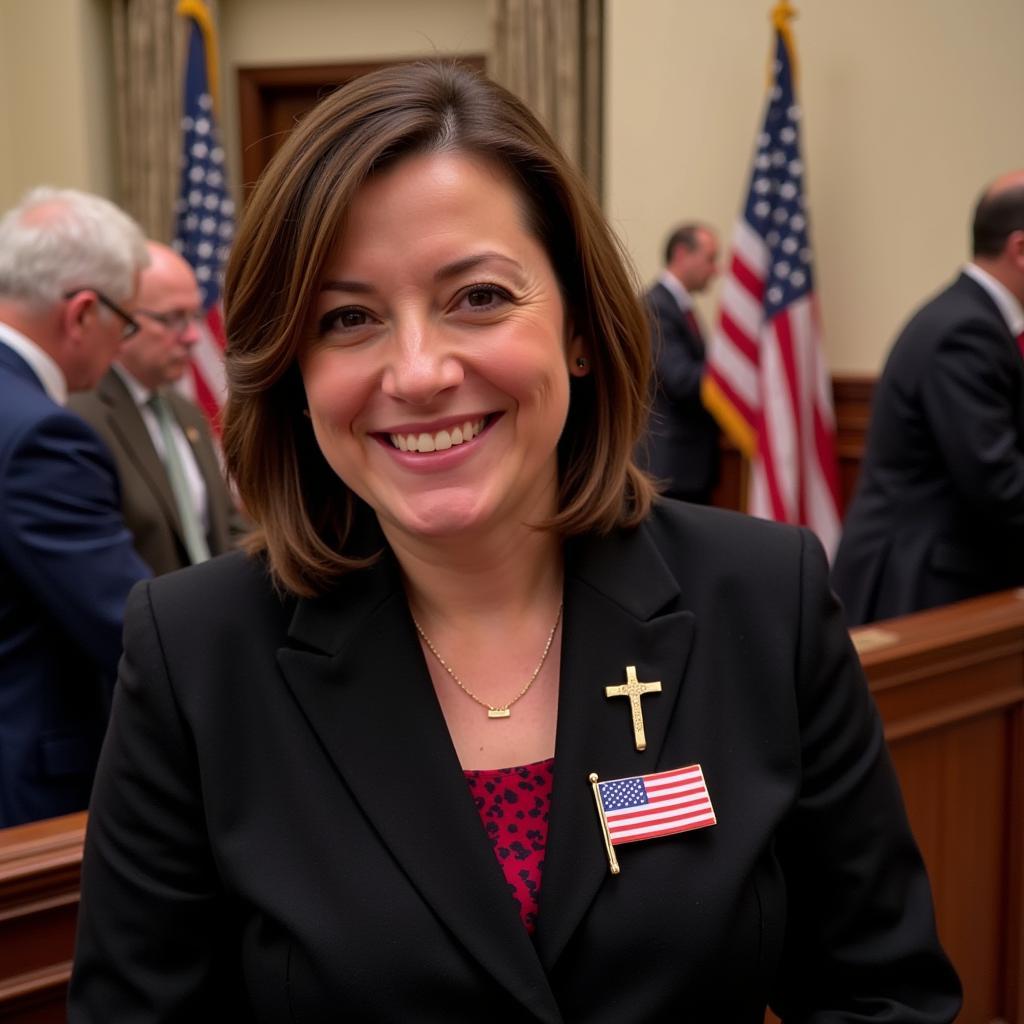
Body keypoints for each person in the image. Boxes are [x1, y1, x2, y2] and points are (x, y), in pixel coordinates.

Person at [70, 63, 960, 1021]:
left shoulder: (763, 597)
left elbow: (885, 996)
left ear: (578, 325)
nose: (416, 372)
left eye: (479, 298)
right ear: (293, 366)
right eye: (348, 318)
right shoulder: (195, 653)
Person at [0, 187, 151, 828]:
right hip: (28, 793)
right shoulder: (41, 435)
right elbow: (128, 626)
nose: (124, 343)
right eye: (127, 320)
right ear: (83, 313)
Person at [833, 171, 1024, 626]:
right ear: (1020, 250)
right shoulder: (966, 331)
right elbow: (997, 481)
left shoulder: (973, 319)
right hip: (919, 582)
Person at [69, 241, 244, 575]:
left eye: (194, 316)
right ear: (120, 318)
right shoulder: (79, 415)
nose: (192, 336)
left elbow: (226, 528)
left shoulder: (185, 411)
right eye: (173, 319)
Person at [636, 222, 721, 504]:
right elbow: (679, 379)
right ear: (683, 254)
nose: (715, 270)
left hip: (688, 465)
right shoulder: (657, 306)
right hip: (671, 467)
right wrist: (730, 375)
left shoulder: (680, 306)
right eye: (710, 259)